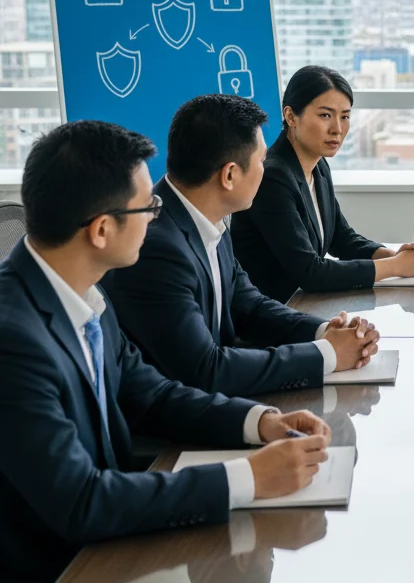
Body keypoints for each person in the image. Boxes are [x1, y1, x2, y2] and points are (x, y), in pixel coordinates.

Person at [0, 120, 333, 583]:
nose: (157, 216)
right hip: (53, 582)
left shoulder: (87, 297)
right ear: (100, 230)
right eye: (147, 207)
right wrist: (246, 479)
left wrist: (260, 421)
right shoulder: (13, 340)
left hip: (114, 543)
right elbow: (80, 502)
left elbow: (152, 395)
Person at [103, 95, 380, 399]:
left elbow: (249, 305)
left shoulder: (207, 218)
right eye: (262, 160)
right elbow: (206, 370)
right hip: (173, 432)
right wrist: (326, 355)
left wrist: (324, 331)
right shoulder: (157, 248)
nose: (268, 167)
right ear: (230, 175)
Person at [231, 65, 414, 303]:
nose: (337, 129)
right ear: (291, 117)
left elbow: (341, 238)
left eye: (345, 116)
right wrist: (395, 267)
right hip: (271, 315)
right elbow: (311, 273)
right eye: (325, 115)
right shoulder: (273, 177)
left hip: (305, 304)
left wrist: (392, 255)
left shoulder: (318, 165)